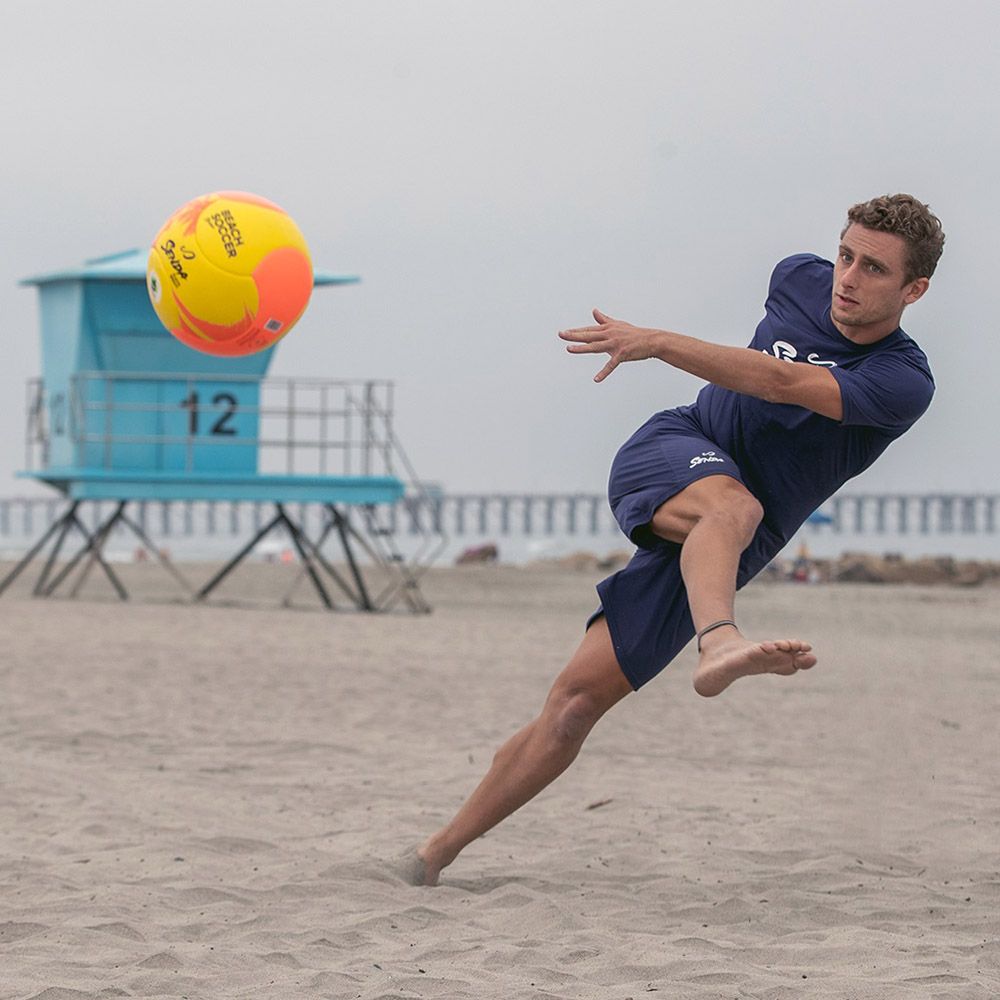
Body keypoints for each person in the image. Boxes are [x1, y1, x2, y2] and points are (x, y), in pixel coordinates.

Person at [405, 193, 945, 886]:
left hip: (724, 544)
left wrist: (659, 341)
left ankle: (432, 855)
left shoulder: (902, 380)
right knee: (734, 506)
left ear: (914, 289)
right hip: (679, 446)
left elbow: (781, 382)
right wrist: (655, 346)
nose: (847, 277)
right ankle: (718, 641)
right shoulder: (797, 277)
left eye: (873, 268)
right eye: (845, 255)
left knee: (573, 707)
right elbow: (759, 385)